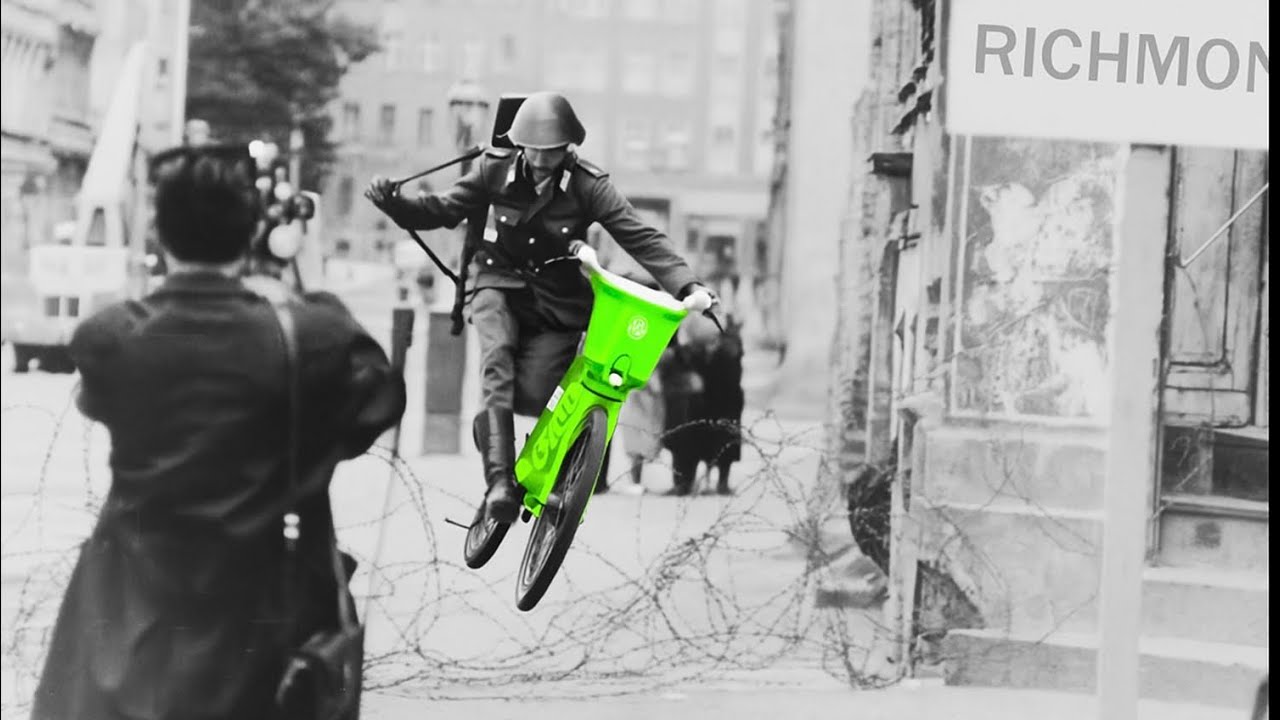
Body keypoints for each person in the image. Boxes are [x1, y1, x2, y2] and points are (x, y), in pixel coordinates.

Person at [32, 144, 406, 720]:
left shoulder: (111, 339)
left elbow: (96, 397)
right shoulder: (307, 340)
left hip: (128, 612)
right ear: (255, 230)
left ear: (159, 232)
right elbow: (375, 404)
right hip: (262, 617)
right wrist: (301, 286)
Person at [366, 91, 714, 524]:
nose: (542, 158)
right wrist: (395, 204)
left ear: (568, 146)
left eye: (552, 150)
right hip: (499, 283)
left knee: (536, 394)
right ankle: (497, 483)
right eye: (534, 148)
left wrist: (688, 284)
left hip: (557, 302)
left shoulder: (588, 185)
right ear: (520, 144)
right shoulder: (494, 169)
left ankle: (535, 466)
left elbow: (639, 235)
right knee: (497, 362)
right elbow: (445, 208)